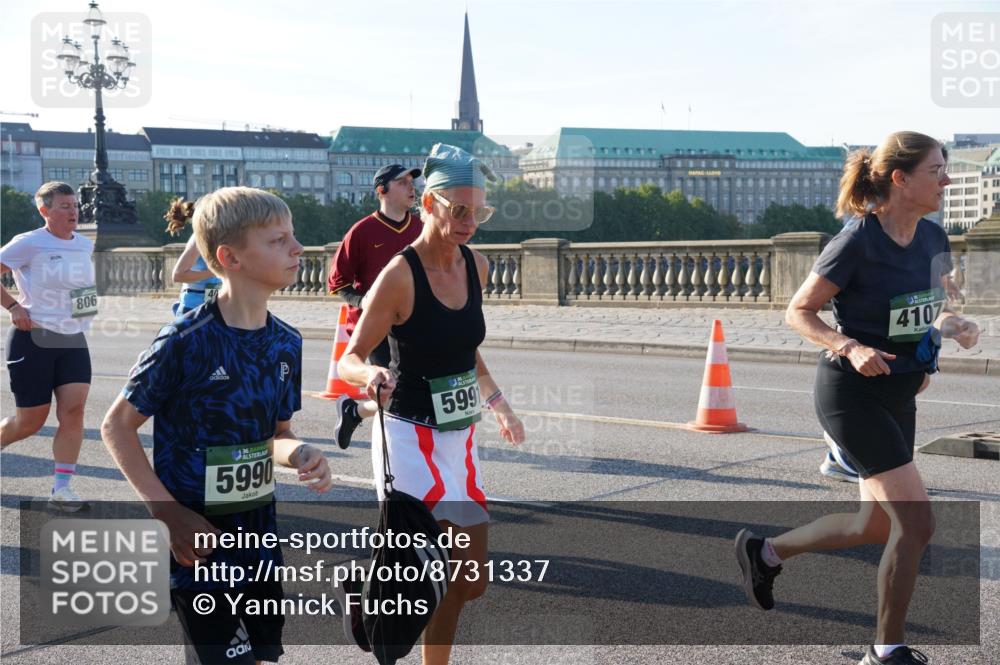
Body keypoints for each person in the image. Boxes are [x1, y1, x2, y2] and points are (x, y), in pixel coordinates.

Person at [735, 132, 981, 665]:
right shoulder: (857, 240)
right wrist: (848, 346)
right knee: (917, 523)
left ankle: (766, 552)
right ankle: (886, 651)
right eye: (937, 169)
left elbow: (918, 313)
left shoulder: (933, 238)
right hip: (851, 393)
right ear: (900, 179)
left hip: (900, 393)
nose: (947, 179)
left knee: (873, 525)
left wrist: (951, 323)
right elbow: (798, 311)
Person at [101, 187, 333, 664]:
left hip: (259, 540)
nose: (298, 248)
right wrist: (166, 512)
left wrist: (302, 454)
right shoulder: (186, 339)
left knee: (260, 657)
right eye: (278, 240)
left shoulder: (286, 342)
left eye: (293, 236)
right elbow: (117, 427)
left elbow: (277, 436)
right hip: (199, 541)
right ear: (230, 257)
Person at [337, 144, 525, 665]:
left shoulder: (477, 267)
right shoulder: (398, 276)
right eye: (458, 210)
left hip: (459, 435)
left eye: (478, 212)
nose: (469, 222)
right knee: (417, 583)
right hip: (406, 435)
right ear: (428, 203)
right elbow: (348, 359)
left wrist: (499, 401)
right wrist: (370, 372)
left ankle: (367, 580)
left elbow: (465, 350)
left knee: (471, 580)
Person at [1, 182, 95, 512]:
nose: (74, 212)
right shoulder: (29, 243)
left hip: (71, 339)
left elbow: (81, 289)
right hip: (33, 338)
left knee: (74, 410)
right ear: (45, 211)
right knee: (30, 422)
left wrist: (83, 317)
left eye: (74, 206)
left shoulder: (84, 244)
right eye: (65, 206)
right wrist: (13, 307)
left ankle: (62, 488)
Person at [327, 163, 423, 449]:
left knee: (413, 390)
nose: (411, 187)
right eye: (402, 182)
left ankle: (354, 411)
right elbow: (338, 284)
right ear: (382, 190)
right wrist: (363, 302)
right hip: (376, 326)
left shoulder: (421, 228)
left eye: (412, 182)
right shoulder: (361, 232)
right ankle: (398, 454)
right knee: (392, 390)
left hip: (416, 323)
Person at [165, 197, 223, 317]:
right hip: (193, 309)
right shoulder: (199, 239)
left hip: (210, 306)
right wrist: (213, 272)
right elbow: (178, 275)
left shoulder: (218, 238)